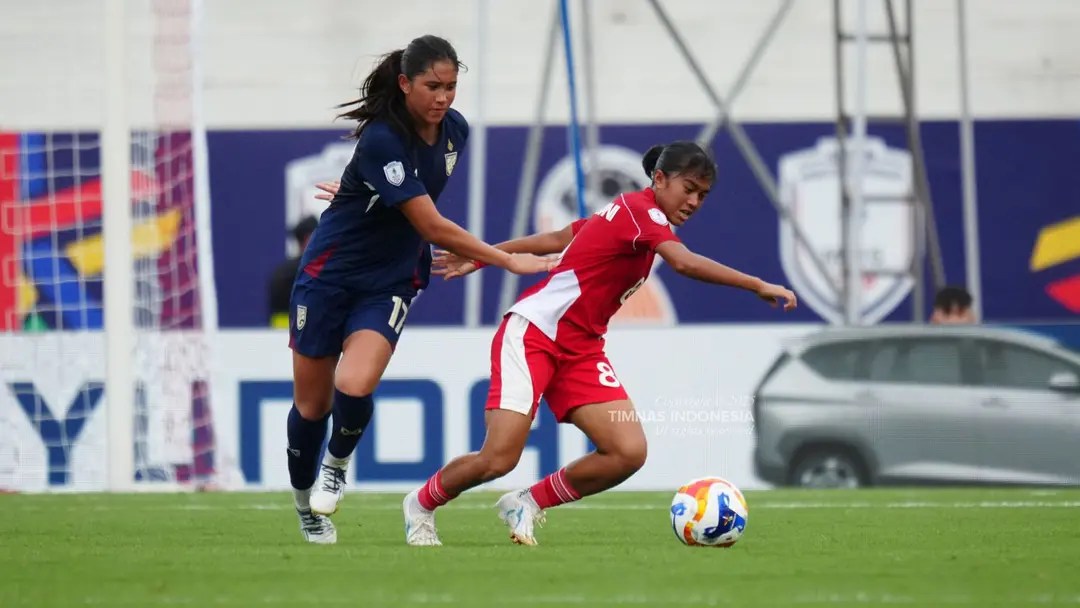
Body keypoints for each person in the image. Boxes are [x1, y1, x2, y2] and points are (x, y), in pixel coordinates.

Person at [400, 141, 798, 546]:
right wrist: (756, 283)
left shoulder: (631, 214)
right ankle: (420, 504)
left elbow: (560, 237)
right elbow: (683, 262)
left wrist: (485, 255)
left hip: (582, 349)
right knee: (498, 459)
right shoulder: (641, 212)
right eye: (689, 188)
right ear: (660, 179)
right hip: (535, 333)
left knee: (627, 452)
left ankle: (527, 502)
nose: (694, 202)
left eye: (703, 195)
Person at [286, 35, 553, 545]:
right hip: (328, 276)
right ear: (406, 83)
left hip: (390, 278)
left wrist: (364, 192)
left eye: (451, 86)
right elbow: (429, 223)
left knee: (355, 384)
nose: (443, 97)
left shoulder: (455, 131)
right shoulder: (382, 138)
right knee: (312, 407)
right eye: (433, 86)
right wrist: (503, 258)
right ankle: (305, 508)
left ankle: (336, 466)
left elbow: (413, 200)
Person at [268, 215, 318, 328]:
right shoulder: (315, 271)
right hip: (298, 331)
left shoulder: (281, 272)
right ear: (307, 238)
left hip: (279, 332)